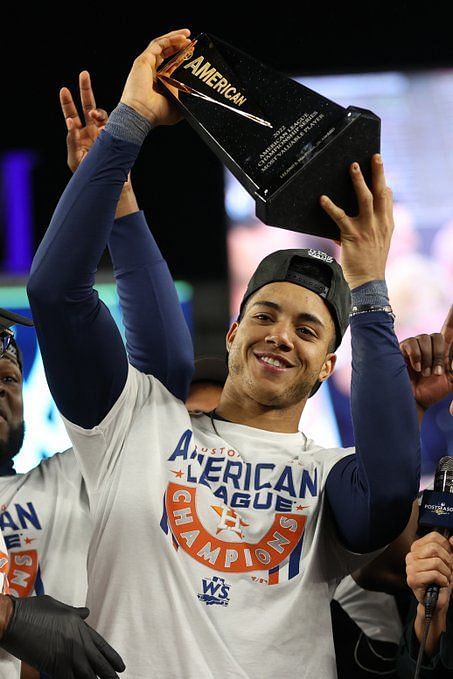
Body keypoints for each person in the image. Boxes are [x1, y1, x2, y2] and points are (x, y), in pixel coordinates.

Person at [27, 29, 422, 678]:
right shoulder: (139, 425)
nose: (279, 334)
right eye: (264, 314)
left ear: (329, 365)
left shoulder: (329, 475)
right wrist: (126, 130)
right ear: (234, 331)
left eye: (307, 328)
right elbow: (55, 291)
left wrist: (369, 285)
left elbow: (386, 488)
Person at [0, 71, 194, 677]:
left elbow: (163, 374)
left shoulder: (73, 483)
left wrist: (117, 201)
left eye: (8, 357)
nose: (2, 369)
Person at [0, 316, 125, 678]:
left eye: (8, 378)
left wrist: (62, 309)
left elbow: (130, 396)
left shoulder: (72, 480)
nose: (1, 389)